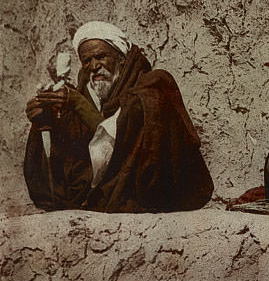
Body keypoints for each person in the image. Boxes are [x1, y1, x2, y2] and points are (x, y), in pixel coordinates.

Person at [23, 21, 213, 213]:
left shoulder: (151, 89)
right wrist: (46, 118)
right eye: (87, 61)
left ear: (121, 58)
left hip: (147, 193)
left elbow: (119, 139)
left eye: (101, 57)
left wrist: (78, 103)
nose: (94, 66)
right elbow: (78, 149)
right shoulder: (85, 93)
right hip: (104, 192)